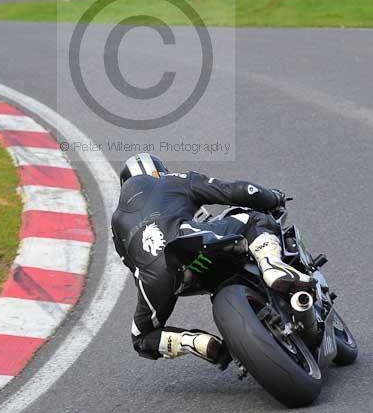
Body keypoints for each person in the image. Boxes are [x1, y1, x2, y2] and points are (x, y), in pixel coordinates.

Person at [112, 153, 313, 370]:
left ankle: (195, 342)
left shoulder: (117, 221)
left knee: (142, 337)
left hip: (156, 277)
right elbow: (237, 191)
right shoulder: (171, 180)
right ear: (157, 172)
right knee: (254, 219)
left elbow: (132, 266)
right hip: (187, 242)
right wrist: (274, 198)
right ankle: (271, 264)